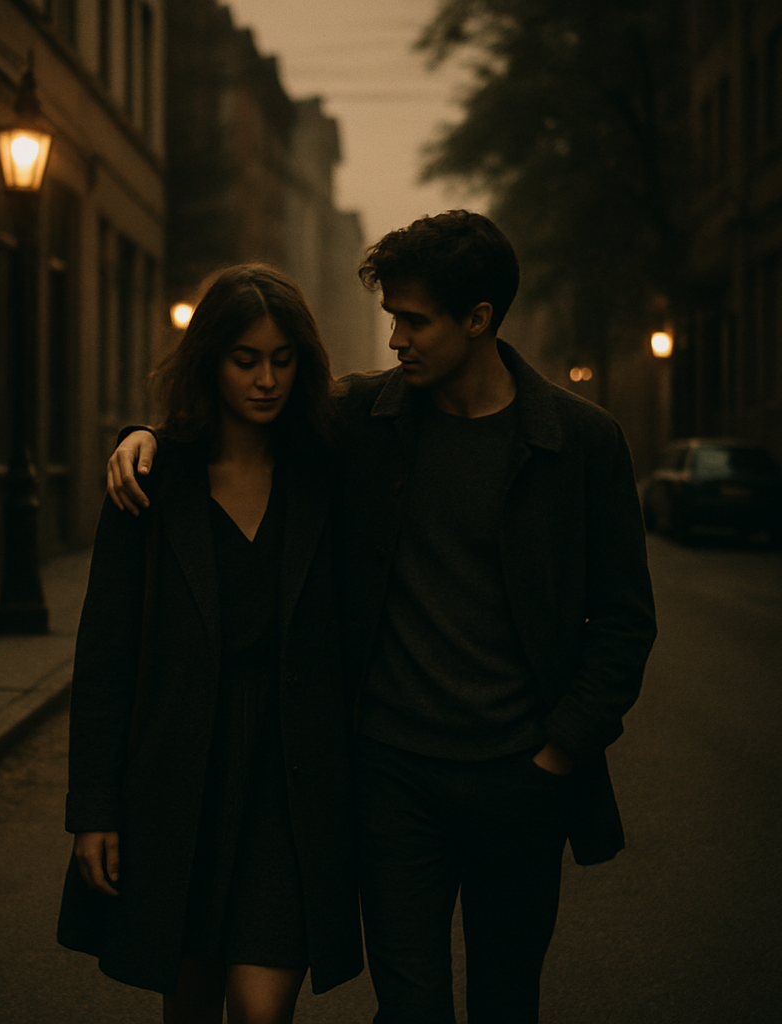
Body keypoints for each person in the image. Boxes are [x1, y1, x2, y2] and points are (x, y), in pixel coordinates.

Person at [106, 211, 657, 1024]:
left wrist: (558, 752)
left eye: (414, 319)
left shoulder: (581, 444)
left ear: (479, 320)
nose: (395, 337)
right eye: (392, 316)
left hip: (521, 779)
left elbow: (623, 621)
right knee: (411, 1005)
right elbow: (246, 411)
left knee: (509, 1000)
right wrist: (146, 436)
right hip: (394, 779)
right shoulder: (363, 419)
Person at [57, 264, 363, 1024]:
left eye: (284, 360)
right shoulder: (152, 486)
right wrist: (94, 810)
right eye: (246, 359)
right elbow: (104, 661)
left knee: (263, 1013)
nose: (267, 380)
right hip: (179, 781)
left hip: (290, 784)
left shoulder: (326, 474)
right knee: (189, 1007)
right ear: (210, 361)